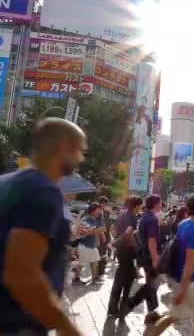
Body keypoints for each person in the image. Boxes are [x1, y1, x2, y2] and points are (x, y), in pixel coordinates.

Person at [0, 117, 85, 335]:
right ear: (64, 148)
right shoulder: (43, 191)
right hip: (17, 323)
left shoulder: (9, 182)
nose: (81, 158)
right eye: (79, 151)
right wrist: (66, 327)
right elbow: (22, 274)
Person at [146, 194, 194, 336]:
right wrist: (183, 288)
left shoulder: (184, 224)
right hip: (192, 281)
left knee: (174, 315)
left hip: (177, 278)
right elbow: (190, 263)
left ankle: (151, 330)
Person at [121, 195, 163, 319]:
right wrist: (155, 259)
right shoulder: (152, 219)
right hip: (149, 256)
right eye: (160, 203)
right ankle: (132, 303)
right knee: (152, 284)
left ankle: (152, 311)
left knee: (151, 284)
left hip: (143, 255)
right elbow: (152, 241)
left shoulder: (143, 217)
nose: (161, 205)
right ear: (155, 204)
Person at [107, 195, 143, 317]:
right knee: (124, 280)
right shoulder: (132, 218)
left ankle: (118, 307)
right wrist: (134, 243)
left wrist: (117, 241)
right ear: (136, 206)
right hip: (127, 252)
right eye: (140, 206)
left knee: (125, 279)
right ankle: (118, 308)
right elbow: (128, 233)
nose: (141, 208)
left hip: (122, 252)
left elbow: (114, 231)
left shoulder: (122, 215)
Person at [80, 203, 105, 284]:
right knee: (81, 264)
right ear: (92, 210)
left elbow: (100, 230)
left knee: (94, 262)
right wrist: (97, 230)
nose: (99, 212)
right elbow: (87, 231)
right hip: (85, 244)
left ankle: (94, 279)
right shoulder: (85, 219)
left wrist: (100, 235)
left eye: (100, 210)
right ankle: (75, 277)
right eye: (98, 210)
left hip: (92, 244)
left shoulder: (97, 220)